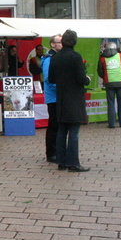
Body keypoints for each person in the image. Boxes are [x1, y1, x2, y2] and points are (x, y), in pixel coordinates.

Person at [47, 29, 91, 173]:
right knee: (74, 132)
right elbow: (81, 78)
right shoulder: (75, 56)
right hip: (74, 98)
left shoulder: (55, 58)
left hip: (61, 98)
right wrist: (87, 79)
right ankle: (73, 163)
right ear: (75, 41)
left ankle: (61, 161)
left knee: (62, 130)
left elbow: (51, 79)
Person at [97, 42, 121, 129]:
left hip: (109, 83)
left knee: (110, 103)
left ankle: (112, 123)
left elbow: (100, 71)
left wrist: (105, 77)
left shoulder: (102, 58)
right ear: (115, 48)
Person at [40, 34, 62, 163]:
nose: (61, 44)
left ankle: (56, 150)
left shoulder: (56, 57)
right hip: (53, 97)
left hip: (57, 95)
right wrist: (60, 88)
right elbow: (49, 79)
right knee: (53, 125)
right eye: (59, 42)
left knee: (58, 124)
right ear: (53, 44)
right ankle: (51, 152)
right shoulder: (49, 59)